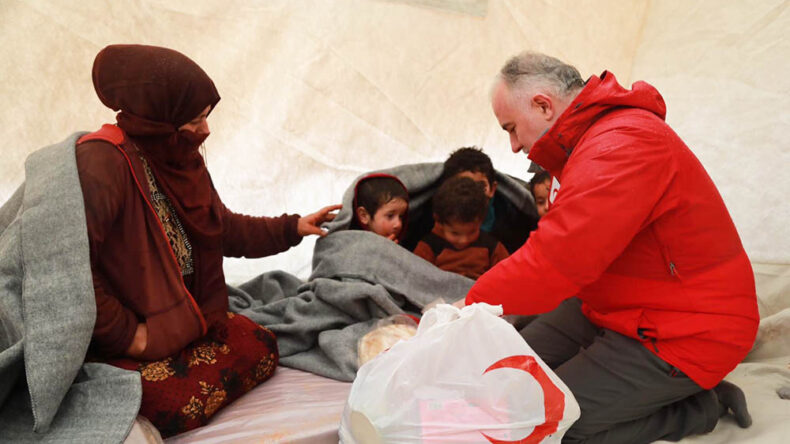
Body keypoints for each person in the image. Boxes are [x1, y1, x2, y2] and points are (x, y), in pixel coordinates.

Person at [462, 52, 759, 443]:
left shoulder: (623, 142)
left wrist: (469, 307)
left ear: (543, 105)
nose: (515, 146)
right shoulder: (583, 148)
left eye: (512, 129)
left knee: (543, 424)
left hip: (686, 331)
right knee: (498, 375)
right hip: (613, 306)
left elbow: (557, 258)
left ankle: (698, 408)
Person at [78, 44, 340, 437]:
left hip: (187, 323)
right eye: (195, 119)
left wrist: (292, 227)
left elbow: (222, 229)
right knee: (171, 401)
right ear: (159, 117)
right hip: (134, 335)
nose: (206, 130)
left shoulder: (183, 160)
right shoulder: (103, 162)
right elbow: (73, 268)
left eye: (205, 117)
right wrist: (129, 335)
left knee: (261, 345)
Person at [413, 176, 508, 279]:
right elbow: (417, 280)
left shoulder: (492, 248)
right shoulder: (428, 248)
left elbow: (508, 276)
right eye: (455, 233)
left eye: (472, 232)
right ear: (439, 221)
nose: (463, 240)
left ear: (481, 222)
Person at [351, 173, 409, 242]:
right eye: (390, 216)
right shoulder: (350, 243)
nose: (398, 224)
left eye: (401, 216)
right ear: (364, 215)